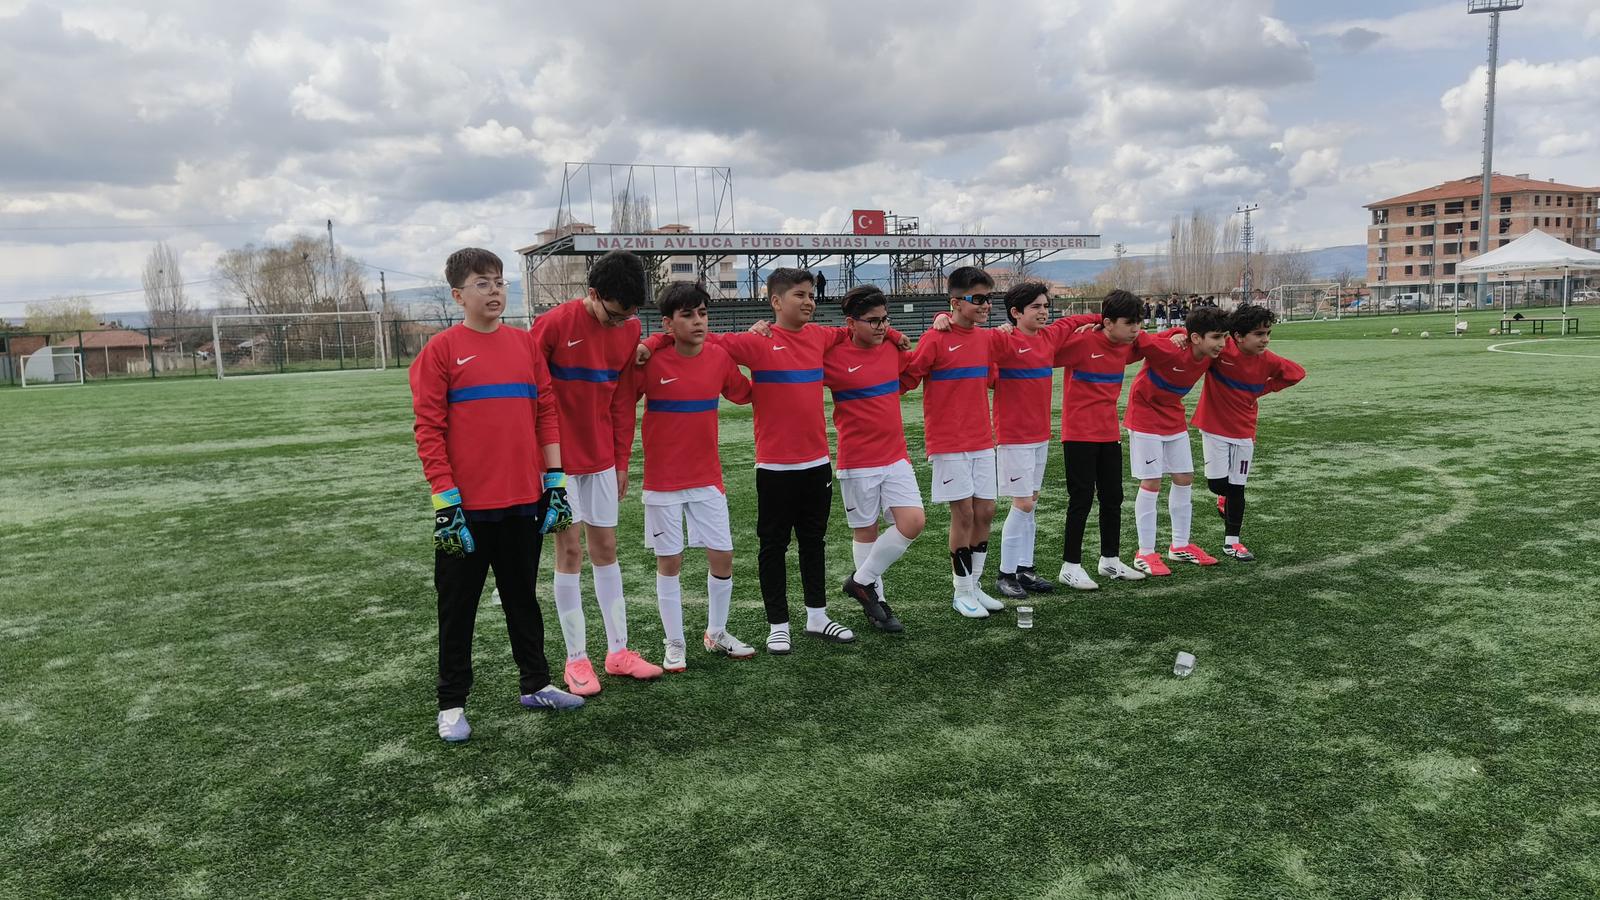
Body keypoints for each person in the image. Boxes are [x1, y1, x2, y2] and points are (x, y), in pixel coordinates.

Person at [639, 268, 908, 653]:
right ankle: (777, 625)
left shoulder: (821, 336)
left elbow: (862, 327)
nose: (809, 301)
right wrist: (652, 341)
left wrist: (895, 335)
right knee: (773, 547)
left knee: (813, 542)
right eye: (800, 295)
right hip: (774, 466)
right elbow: (693, 334)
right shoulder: (754, 342)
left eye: (811, 294)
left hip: (817, 463)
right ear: (776, 302)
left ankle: (817, 617)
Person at [409, 248, 584, 743]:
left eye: (499, 281)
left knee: (522, 598)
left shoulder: (525, 345)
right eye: (482, 283)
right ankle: (451, 705)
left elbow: (545, 413)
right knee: (457, 608)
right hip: (465, 509)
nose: (494, 291)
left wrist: (554, 481)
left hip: (523, 501)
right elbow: (429, 430)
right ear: (457, 295)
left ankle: (536, 684)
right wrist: (446, 502)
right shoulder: (440, 351)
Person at [531, 249, 662, 695]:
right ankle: (576, 660)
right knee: (570, 552)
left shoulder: (630, 329)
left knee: (606, 548)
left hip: (603, 460)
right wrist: (545, 467)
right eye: (614, 314)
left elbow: (623, 402)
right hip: (558, 464)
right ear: (592, 294)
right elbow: (529, 396)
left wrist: (621, 461)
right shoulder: (552, 325)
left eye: (629, 316)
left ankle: (619, 653)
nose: (620, 323)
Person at [634, 283, 758, 670]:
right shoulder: (652, 360)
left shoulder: (718, 358)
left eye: (702, 313)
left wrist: (766, 350)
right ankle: (674, 642)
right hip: (662, 482)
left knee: (723, 555)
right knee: (669, 561)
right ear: (668, 323)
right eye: (687, 315)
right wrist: (650, 344)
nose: (698, 321)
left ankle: (716, 632)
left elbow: (745, 393)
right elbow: (618, 401)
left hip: (707, 478)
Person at [901, 266, 1008, 619]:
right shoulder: (934, 338)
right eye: (978, 299)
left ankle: (975, 586)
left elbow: (992, 379)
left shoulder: (986, 340)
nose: (985, 305)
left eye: (989, 299)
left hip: (982, 439)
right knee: (963, 514)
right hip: (948, 441)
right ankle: (961, 592)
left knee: (986, 512)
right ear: (956, 302)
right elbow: (908, 376)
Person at [987, 282, 1102, 599]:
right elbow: (968, 338)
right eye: (1035, 307)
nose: (1043, 312)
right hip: (1014, 437)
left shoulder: (1049, 336)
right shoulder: (1004, 340)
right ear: (1015, 312)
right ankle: (1005, 574)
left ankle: (1024, 569)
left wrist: (1099, 319)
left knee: (1031, 504)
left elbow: (1073, 321)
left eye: (1045, 306)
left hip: (1040, 435)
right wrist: (942, 317)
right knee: (1022, 503)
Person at [829, 285, 924, 633]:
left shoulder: (891, 349)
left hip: (895, 455)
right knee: (865, 531)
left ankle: (860, 582)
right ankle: (877, 605)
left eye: (885, 319)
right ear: (851, 323)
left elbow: (911, 373)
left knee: (913, 521)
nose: (882, 326)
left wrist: (896, 335)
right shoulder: (832, 355)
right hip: (857, 461)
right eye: (873, 321)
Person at [1051, 289, 1150, 590]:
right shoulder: (1082, 342)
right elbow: (1043, 351)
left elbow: (1161, 341)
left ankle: (1110, 560)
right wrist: (1090, 320)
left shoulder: (1127, 344)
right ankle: (1070, 566)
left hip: (1109, 433)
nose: (1136, 329)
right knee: (1081, 499)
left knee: (1112, 497)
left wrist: (1176, 336)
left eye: (1138, 322)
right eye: (1129, 322)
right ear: (1107, 322)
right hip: (1078, 434)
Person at [1191, 304, 1306, 561]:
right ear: (1238, 336)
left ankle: (1232, 543)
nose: (1265, 339)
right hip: (1213, 427)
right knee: (1217, 484)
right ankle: (1223, 497)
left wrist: (1262, 389)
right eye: (1259, 334)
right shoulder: (1221, 351)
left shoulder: (1268, 360)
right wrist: (1176, 336)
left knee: (1237, 487)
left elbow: (1297, 373)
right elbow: (1194, 341)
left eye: (1268, 333)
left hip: (1244, 431)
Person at [1124, 305, 1231, 576]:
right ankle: (1145, 552)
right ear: (1196, 338)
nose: (1222, 343)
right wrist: (1171, 333)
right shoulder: (1170, 348)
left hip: (1173, 415)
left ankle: (1180, 546)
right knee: (1152, 481)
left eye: (1224, 337)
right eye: (1216, 337)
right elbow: (1139, 337)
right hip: (1144, 414)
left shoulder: (1211, 353)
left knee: (1184, 477)